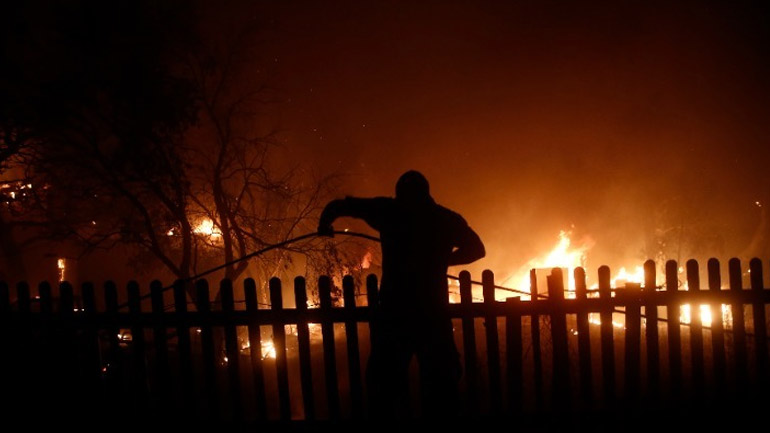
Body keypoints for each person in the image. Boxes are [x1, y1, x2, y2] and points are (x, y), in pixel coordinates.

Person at [317, 170, 485, 419]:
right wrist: (443, 260)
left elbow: (341, 205)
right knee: (441, 384)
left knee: (384, 385)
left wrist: (324, 224)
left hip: (395, 312)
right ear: (427, 193)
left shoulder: (390, 211)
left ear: (399, 194)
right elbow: (477, 249)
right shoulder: (445, 219)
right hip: (432, 315)